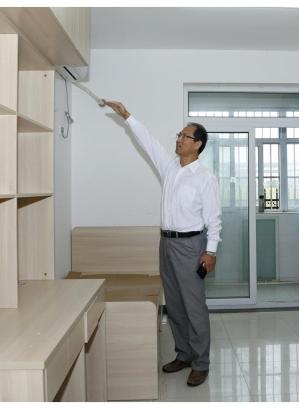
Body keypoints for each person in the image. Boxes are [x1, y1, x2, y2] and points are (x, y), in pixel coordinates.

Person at [105, 100, 222, 387]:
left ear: (198, 145)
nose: (179, 139)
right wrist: (127, 116)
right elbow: (148, 141)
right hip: (166, 244)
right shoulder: (169, 167)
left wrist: (210, 251)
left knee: (194, 306)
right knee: (175, 304)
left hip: (191, 246)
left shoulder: (205, 178)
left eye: (185, 136)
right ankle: (183, 354)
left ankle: (201, 363)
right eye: (179, 135)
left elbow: (215, 219)